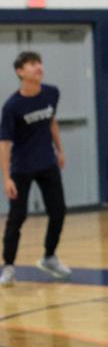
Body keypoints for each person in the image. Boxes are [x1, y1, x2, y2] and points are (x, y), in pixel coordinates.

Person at [0, 51, 70, 285]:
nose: (39, 67)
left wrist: (60, 149)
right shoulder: (12, 106)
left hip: (47, 162)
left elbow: (51, 121)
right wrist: (6, 178)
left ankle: (49, 256)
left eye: (39, 63)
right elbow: (4, 143)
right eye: (32, 64)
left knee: (58, 211)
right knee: (17, 217)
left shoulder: (52, 93)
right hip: (22, 167)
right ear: (20, 72)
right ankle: (9, 266)